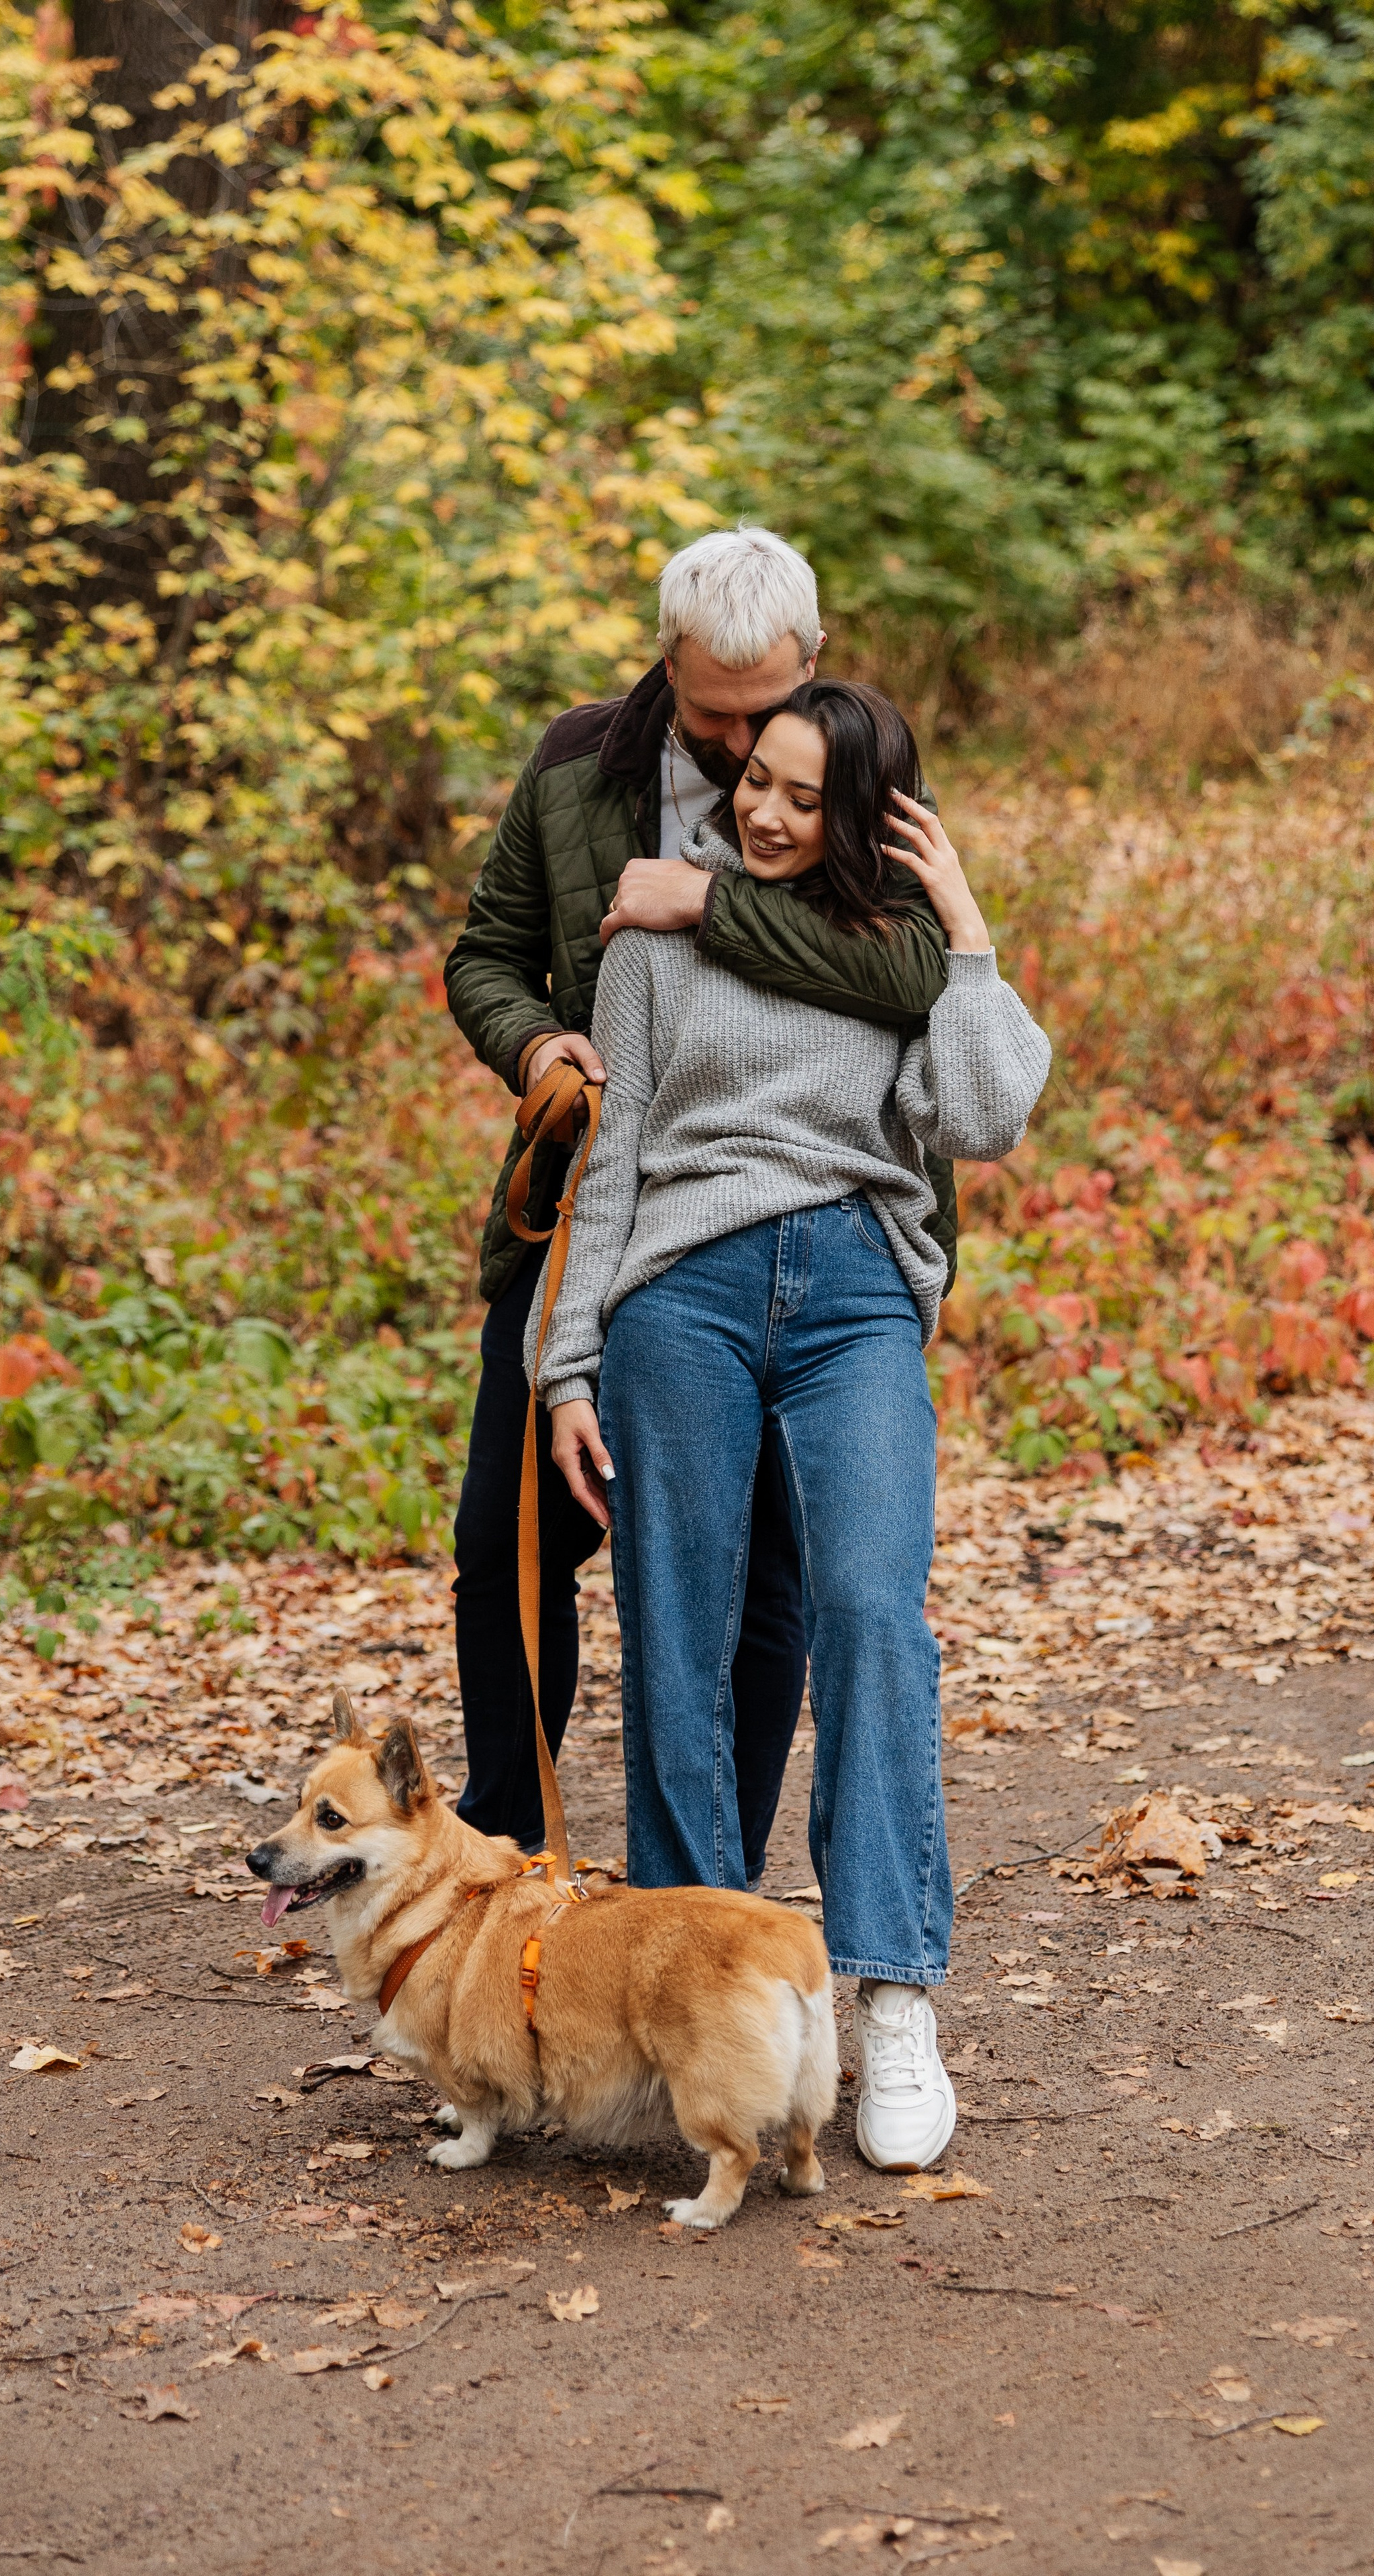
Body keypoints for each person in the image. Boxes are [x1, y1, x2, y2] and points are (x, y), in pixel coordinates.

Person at [531, 681, 1051, 2171]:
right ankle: (704, 2011)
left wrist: (964, 924)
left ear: (868, 819)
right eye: (755, 778)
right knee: (678, 1640)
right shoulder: (655, 935)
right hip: (678, 1295)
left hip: (852, 1293)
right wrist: (570, 1366)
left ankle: (892, 1996)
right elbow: (614, 1157)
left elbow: (987, 1115)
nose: (761, 811)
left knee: (874, 1617)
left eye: (804, 798)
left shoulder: (898, 954)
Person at [443, 529, 957, 1881]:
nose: (739, 752)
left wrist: (702, 902)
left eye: (762, 710)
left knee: (764, 1580)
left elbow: (913, 970)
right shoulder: (574, 766)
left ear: (813, 660)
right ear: (665, 657)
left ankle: (713, 1894)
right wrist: (534, 1046)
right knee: (508, 1540)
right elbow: (486, 955)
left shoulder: (854, 768)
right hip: (595, 1197)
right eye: (713, 715)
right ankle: (504, 1847)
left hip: (794, 1216)